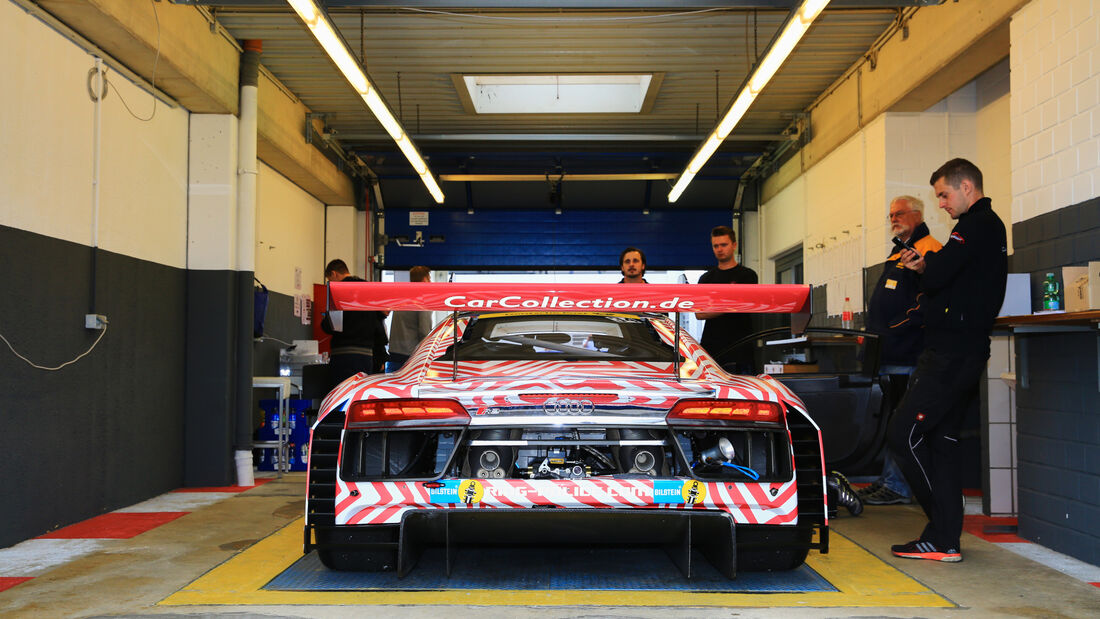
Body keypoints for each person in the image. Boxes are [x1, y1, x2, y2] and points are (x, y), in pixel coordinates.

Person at [887, 158, 1007, 562]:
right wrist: (928, 268)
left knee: (902, 435)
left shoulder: (976, 226)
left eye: (944, 194)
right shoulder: (979, 228)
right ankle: (945, 541)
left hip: (952, 355)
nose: (941, 203)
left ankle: (940, 532)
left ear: (967, 186)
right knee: (942, 442)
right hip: (961, 352)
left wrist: (927, 267)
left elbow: (939, 277)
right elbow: (946, 276)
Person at [859, 196, 943, 506]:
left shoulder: (929, 249)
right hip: (888, 353)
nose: (893, 218)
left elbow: (925, 302)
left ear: (917, 215)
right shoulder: (899, 252)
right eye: (891, 214)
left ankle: (898, 485)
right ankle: (888, 479)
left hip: (908, 353)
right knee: (891, 421)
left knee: (902, 422)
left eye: (899, 214)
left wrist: (893, 331)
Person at [696, 226, 758, 372]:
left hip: (741, 348)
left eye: (723, 245)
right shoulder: (706, 279)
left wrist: (715, 305)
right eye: (715, 246)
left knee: (743, 393)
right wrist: (731, 302)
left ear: (734, 245)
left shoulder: (747, 276)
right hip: (712, 349)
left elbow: (745, 305)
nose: (719, 249)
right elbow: (699, 313)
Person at [320, 259, 387, 387]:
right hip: (366, 356)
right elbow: (378, 324)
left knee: (342, 396)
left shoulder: (338, 291)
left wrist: (324, 323)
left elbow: (331, 325)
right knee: (360, 395)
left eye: (330, 279)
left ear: (334, 274)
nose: (330, 283)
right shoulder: (368, 289)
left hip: (343, 355)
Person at [387, 266, 435, 372]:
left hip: (394, 352)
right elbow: (424, 331)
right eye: (429, 279)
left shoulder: (403, 297)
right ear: (424, 280)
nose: (430, 282)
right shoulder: (422, 300)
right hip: (410, 355)